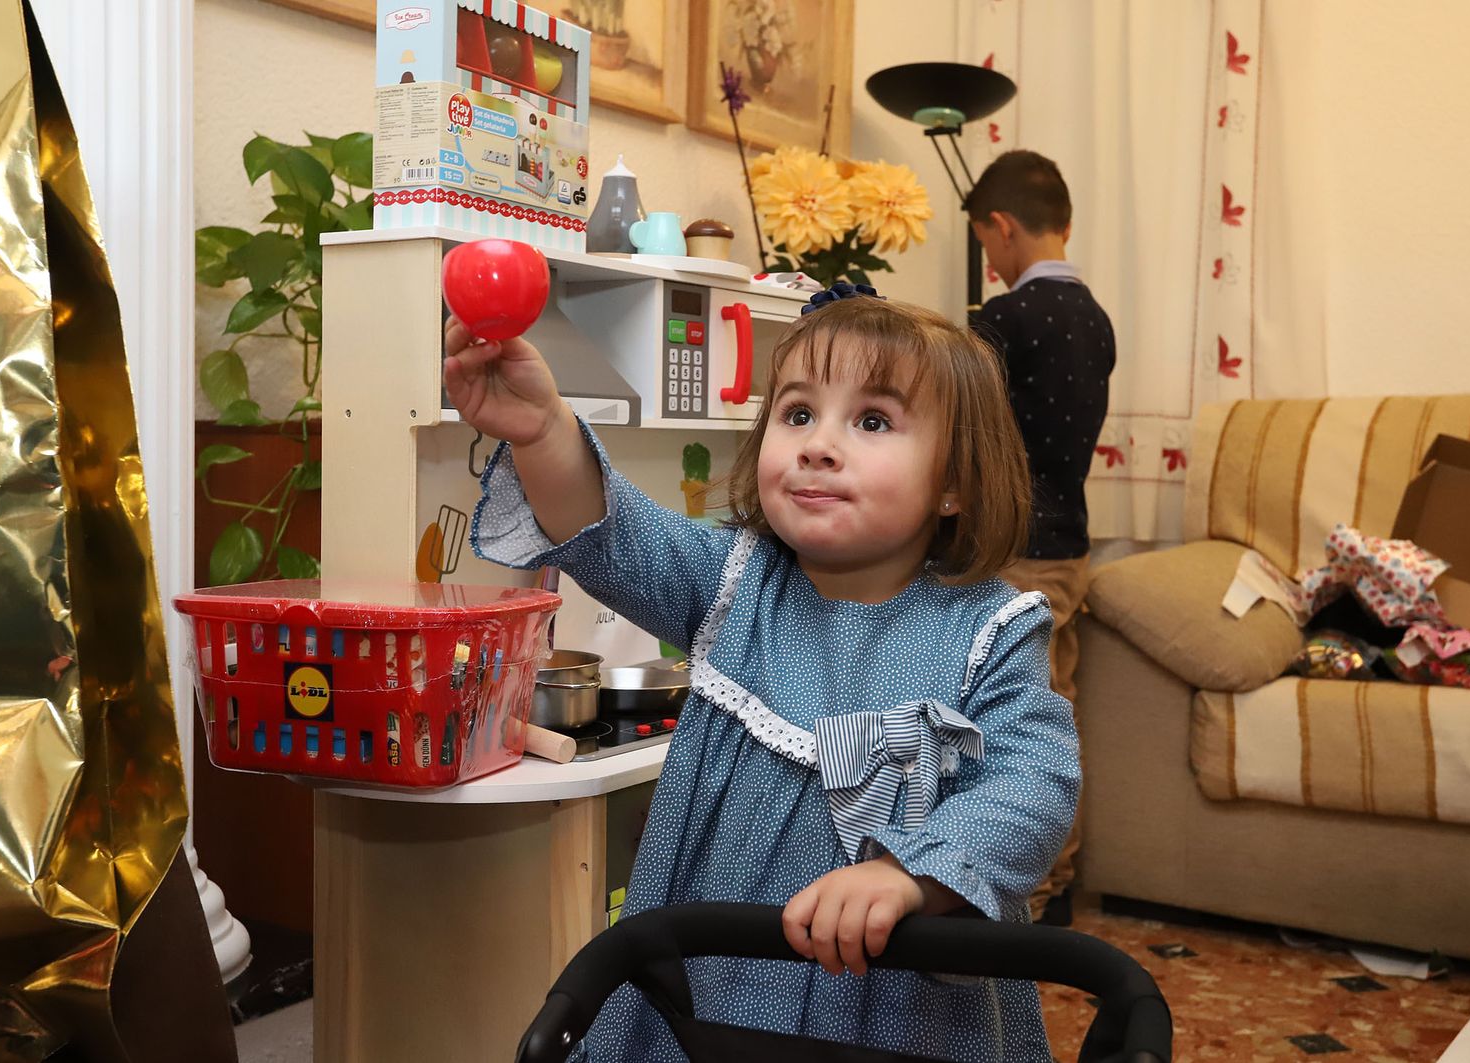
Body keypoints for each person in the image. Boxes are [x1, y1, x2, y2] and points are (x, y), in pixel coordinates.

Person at [444, 287, 1079, 1062]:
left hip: (896, 1011)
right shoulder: (733, 580)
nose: (818, 445)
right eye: (798, 413)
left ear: (955, 482)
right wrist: (543, 429)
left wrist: (912, 875)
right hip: (713, 992)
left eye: (872, 421)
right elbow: (610, 532)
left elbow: (1034, 779)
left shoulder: (991, 628)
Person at [966, 150, 1116, 924]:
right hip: (1069, 547)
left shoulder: (1008, 320)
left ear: (1002, 227)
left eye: (986, 247)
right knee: (1057, 709)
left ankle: (1030, 891)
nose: (991, 264)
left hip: (1017, 551)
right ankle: (1055, 881)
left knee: (1016, 721)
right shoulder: (1096, 321)